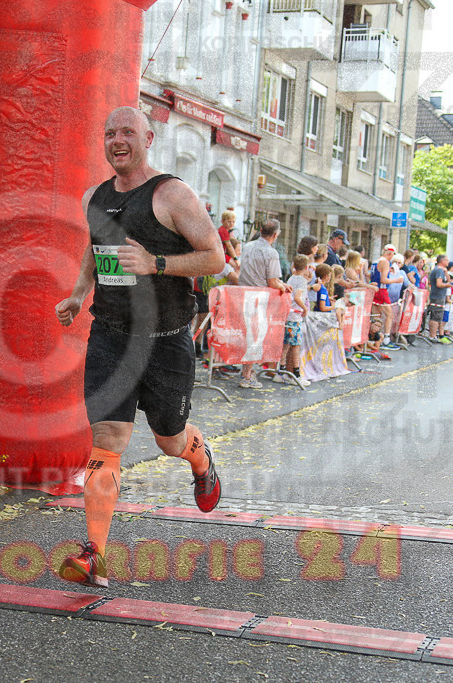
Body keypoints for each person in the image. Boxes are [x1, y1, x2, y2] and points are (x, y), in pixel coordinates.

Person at [53, 106, 225, 588]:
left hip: (166, 341)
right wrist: (78, 291)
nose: (117, 139)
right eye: (109, 133)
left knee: (169, 438)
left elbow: (215, 257)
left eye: (127, 131)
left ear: (148, 138)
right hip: (110, 333)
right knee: (107, 440)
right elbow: (95, 248)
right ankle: (95, 556)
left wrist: (157, 264)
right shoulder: (95, 196)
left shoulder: (172, 194)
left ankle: (200, 457)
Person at [236, 219, 290, 389]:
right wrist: (283, 286)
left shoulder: (248, 246)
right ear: (275, 234)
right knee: (256, 336)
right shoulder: (271, 252)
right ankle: (246, 375)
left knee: (248, 334)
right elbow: (272, 281)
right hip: (259, 298)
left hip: (242, 294)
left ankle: (247, 371)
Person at [276, 254, 310, 388]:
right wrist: (304, 308)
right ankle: (296, 374)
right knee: (295, 346)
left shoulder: (291, 278)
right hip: (295, 317)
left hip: (287, 315)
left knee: (286, 346)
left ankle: (281, 372)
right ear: (306, 267)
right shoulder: (302, 281)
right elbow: (297, 297)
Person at [370, 244, 403, 350]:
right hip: (382, 291)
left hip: (374, 290)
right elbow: (383, 280)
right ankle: (386, 340)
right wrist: (396, 280)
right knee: (389, 315)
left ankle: (375, 339)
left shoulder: (376, 261)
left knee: (376, 316)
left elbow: (370, 275)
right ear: (390, 254)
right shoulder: (385, 262)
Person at [427, 254, 453, 342]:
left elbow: (449, 280)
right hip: (437, 296)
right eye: (447, 260)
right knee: (435, 316)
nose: (448, 262)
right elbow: (439, 284)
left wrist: (446, 272)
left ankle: (434, 335)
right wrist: (447, 285)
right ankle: (432, 335)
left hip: (440, 296)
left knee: (439, 316)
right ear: (442, 261)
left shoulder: (442, 271)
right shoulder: (438, 271)